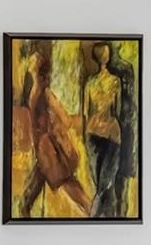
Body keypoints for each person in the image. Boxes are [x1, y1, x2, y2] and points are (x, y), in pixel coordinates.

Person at [15, 42, 90, 217]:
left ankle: (93, 213)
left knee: (70, 188)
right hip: (44, 152)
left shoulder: (45, 92)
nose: (31, 61)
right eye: (32, 58)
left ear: (39, 65)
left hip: (51, 152)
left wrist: (54, 134)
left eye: (35, 59)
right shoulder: (34, 89)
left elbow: (64, 118)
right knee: (28, 199)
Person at [83, 41, 125, 217]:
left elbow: (86, 111)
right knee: (106, 181)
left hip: (92, 133)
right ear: (107, 57)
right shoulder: (115, 82)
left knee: (100, 179)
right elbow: (118, 110)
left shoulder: (89, 83)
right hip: (111, 133)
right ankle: (101, 215)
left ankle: (97, 214)